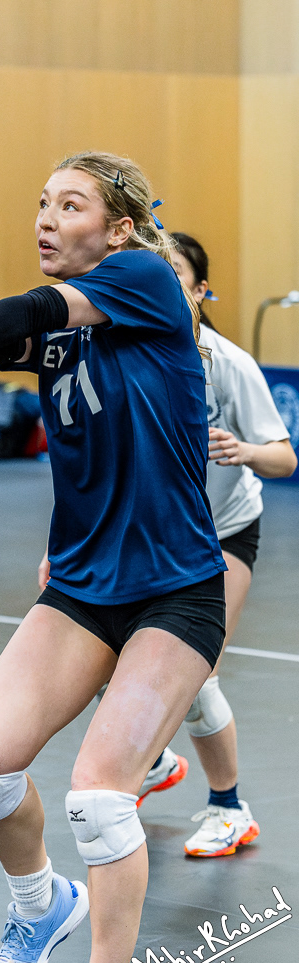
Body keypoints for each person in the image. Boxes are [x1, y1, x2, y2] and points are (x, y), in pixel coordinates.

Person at [0, 152, 229, 963]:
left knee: (100, 800)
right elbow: (14, 334)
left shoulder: (142, 278)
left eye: (70, 206)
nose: (46, 219)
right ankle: (39, 905)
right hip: (81, 587)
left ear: (119, 229)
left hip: (175, 589)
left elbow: (30, 309)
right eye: (41, 204)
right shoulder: (72, 332)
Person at [128, 233, 295, 856]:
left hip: (222, 530)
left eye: (178, 275)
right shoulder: (127, 354)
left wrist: (244, 451)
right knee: (101, 654)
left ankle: (230, 807)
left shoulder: (228, 363)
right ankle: (156, 766)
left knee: (195, 677)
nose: (165, 285)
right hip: (148, 532)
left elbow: (283, 458)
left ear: (200, 291)